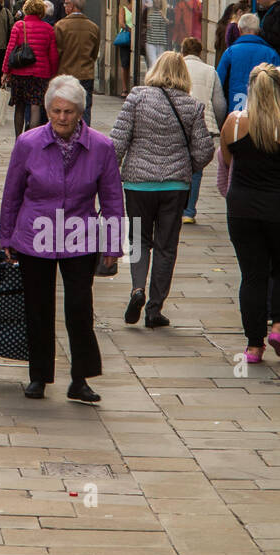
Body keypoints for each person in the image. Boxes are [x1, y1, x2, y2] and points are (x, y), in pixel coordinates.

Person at [0, 74, 123, 403]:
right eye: (55, 111)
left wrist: (112, 244)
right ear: (47, 110)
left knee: (80, 307)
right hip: (35, 235)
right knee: (38, 308)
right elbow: (11, 193)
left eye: (68, 112)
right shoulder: (28, 143)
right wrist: (6, 235)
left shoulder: (101, 147)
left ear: (80, 112)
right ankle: (38, 376)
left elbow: (112, 199)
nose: (61, 119)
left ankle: (80, 379)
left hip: (79, 235)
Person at [110, 51, 214, 329]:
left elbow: (117, 142)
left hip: (137, 184)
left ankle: (136, 290)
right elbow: (205, 150)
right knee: (166, 247)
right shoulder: (193, 106)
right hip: (174, 187)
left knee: (138, 241)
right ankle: (154, 309)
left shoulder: (136, 98)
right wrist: (184, 166)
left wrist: (109, 176)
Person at [220, 63, 280, 363]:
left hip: (241, 208)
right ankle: (279, 326)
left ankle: (254, 347)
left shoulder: (234, 122)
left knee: (252, 276)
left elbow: (228, 161)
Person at [180, 36, 226, 224]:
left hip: (179, 121)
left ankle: (176, 207)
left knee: (178, 162)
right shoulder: (210, 71)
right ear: (200, 52)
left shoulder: (177, 67)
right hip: (202, 123)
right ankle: (189, 211)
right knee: (196, 168)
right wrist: (220, 124)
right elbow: (219, 103)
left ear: (182, 51)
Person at [2, 0, 59, 139]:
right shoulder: (48, 29)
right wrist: (53, 74)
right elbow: (53, 55)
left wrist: (5, 71)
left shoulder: (19, 26)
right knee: (35, 106)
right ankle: (31, 140)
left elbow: (10, 50)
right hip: (40, 74)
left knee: (19, 107)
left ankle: (18, 140)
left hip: (19, 73)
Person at [216, 13, 280, 113]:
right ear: (258, 31)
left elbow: (218, 81)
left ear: (239, 30)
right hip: (264, 111)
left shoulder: (230, 52)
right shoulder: (271, 54)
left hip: (235, 109)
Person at [54, 0, 101, 124]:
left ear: (72, 6)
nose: (64, 7)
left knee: (67, 108)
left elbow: (57, 52)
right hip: (86, 74)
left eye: (66, 4)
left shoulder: (60, 26)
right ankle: (85, 136)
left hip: (66, 74)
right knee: (85, 107)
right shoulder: (93, 27)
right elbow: (94, 53)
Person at [144, 0, 170, 68]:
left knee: (159, 65)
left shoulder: (167, 10)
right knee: (153, 62)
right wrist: (146, 25)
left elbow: (170, 24)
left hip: (161, 41)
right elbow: (141, 22)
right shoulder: (148, 10)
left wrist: (164, 17)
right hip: (150, 40)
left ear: (162, 0)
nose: (155, 1)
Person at [116, 0, 134, 96]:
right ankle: (124, 89)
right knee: (125, 63)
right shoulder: (123, 9)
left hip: (135, 39)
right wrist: (131, 30)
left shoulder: (140, 8)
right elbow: (121, 23)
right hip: (126, 38)